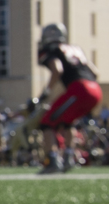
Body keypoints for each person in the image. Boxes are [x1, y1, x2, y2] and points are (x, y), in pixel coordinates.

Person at [36, 23, 102, 173]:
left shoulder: (51, 49)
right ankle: (68, 158)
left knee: (46, 123)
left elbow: (57, 69)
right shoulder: (76, 49)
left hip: (79, 88)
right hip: (95, 89)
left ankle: (53, 161)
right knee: (67, 122)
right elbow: (95, 72)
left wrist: (46, 92)